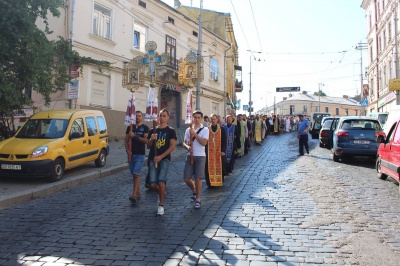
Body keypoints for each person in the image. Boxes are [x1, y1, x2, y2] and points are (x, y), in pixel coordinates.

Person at [147, 109, 177, 215]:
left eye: (164, 115)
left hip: (164, 159)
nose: (162, 117)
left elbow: (172, 146)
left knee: (161, 181)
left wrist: (161, 156)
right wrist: (151, 139)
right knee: (153, 184)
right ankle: (161, 193)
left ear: (168, 117)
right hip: (152, 158)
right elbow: (148, 146)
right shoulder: (153, 130)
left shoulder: (171, 130)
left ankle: (161, 205)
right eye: (160, 115)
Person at [183, 111, 209, 208]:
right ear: (192, 118)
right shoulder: (188, 130)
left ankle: (198, 199)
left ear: (201, 118)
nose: (197, 119)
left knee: (198, 178)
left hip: (201, 155)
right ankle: (194, 190)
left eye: (198, 117)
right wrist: (187, 147)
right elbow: (184, 142)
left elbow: (204, 143)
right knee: (186, 178)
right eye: (195, 117)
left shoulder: (205, 129)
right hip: (190, 155)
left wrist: (195, 134)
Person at [125, 111, 149, 204]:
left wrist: (135, 136)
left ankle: (134, 194)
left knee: (136, 174)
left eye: (139, 116)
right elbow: (126, 140)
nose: (137, 117)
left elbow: (146, 141)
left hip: (140, 154)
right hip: (131, 154)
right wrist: (127, 150)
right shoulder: (130, 127)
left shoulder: (145, 128)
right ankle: (138, 192)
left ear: (142, 117)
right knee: (134, 174)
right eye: (136, 116)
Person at [205, 113, 226, 187]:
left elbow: (224, 140)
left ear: (217, 119)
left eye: (214, 119)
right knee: (208, 167)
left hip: (219, 151)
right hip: (209, 152)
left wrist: (223, 150)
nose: (213, 121)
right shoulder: (207, 129)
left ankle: (219, 180)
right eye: (212, 119)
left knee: (220, 166)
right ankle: (210, 183)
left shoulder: (221, 129)